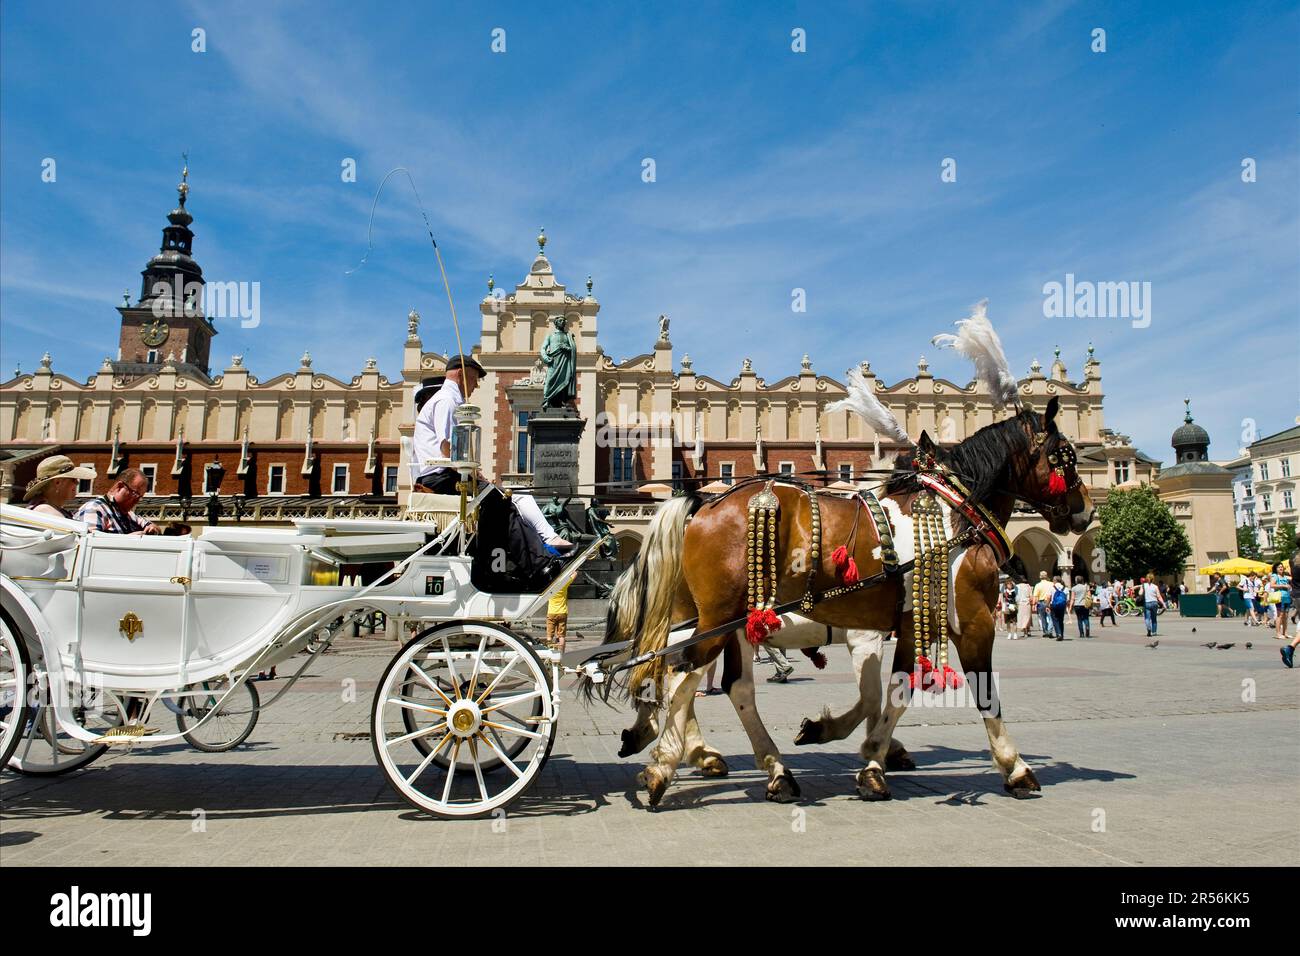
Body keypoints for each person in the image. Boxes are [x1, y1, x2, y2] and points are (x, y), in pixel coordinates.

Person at [411, 356, 567, 591]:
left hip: (446, 475)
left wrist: (475, 474)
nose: (474, 387)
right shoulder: (446, 400)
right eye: (474, 380)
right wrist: (474, 474)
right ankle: (532, 566)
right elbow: (447, 447)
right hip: (441, 477)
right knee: (500, 503)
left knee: (499, 503)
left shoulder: (450, 399)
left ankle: (502, 568)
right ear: (462, 375)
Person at [74, 468, 159, 535]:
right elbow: (90, 543)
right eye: (135, 494)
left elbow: (151, 525)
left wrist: (152, 527)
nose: (137, 501)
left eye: (140, 497)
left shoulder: (129, 515)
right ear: (120, 486)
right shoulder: (94, 508)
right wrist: (128, 540)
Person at [23, 455, 96, 518]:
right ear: (57, 482)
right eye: (73, 479)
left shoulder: (51, 508)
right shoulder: (45, 510)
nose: (77, 483)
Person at [546, 571, 577, 653]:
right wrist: (572, 569)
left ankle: (549, 653)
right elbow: (575, 574)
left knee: (549, 635)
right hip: (562, 612)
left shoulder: (549, 586)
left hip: (551, 613)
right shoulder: (563, 585)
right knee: (561, 636)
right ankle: (562, 653)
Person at [1270, 562, 1292, 642]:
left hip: (1287, 597)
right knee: (1280, 615)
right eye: (1279, 567)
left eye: (1282, 567)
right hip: (1279, 597)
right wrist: (1283, 586)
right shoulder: (1275, 576)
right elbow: (1272, 585)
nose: (1281, 568)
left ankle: (1285, 633)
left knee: (1286, 615)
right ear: (1276, 569)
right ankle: (1278, 634)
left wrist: (1290, 571)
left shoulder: (1285, 577)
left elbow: (1294, 578)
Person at [1032, 571, 1055, 638]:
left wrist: (1033, 605)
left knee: (1043, 618)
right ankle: (1050, 631)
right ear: (1046, 576)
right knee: (1051, 617)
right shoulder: (1051, 584)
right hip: (1049, 602)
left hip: (1041, 602)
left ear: (1040, 577)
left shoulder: (1038, 585)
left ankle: (1045, 632)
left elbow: (1035, 596)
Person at [1049, 576, 1068, 641]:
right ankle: (1061, 634)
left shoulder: (1052, 587)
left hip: (1053, 605)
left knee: (1055, 620)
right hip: (1062, 605)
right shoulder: (1065, 588)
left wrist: (1047, 606)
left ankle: (1058, 634)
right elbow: (1067, 599)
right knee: (1061, 620)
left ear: (1055, 580)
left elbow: (1049, 597)